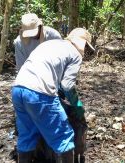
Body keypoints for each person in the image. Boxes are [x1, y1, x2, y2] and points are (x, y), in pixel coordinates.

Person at [12, 28, 94, 162]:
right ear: (82, 42)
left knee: (27, 136)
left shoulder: (50, 44)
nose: (85, 50)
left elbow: (50, 72)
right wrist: (77, 105)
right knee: (64, 136)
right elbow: (67, 85)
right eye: (86, 46)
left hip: (18, 89)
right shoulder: (74, 53)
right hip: (39, 94)